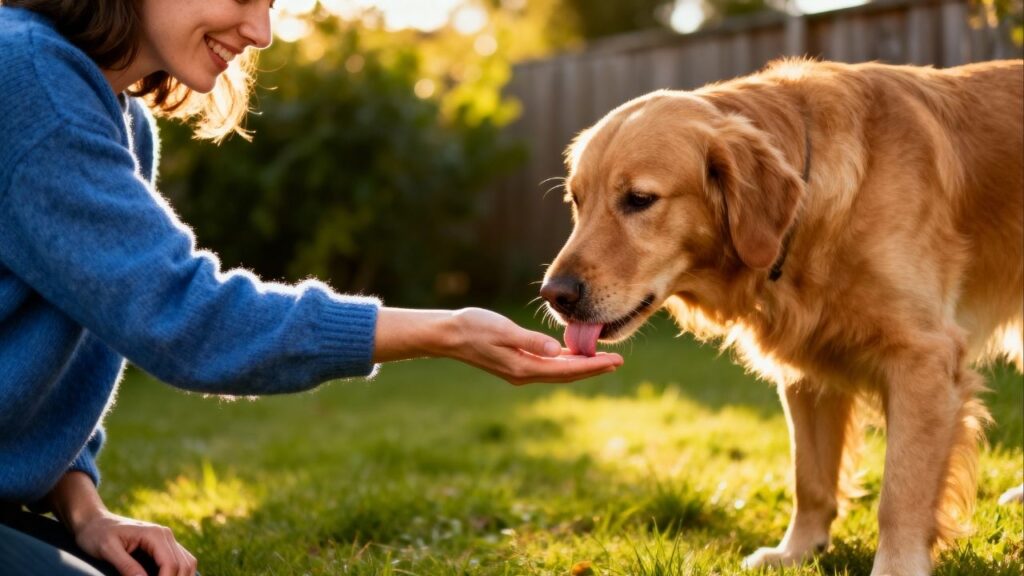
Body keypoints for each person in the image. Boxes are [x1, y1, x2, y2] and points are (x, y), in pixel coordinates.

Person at [0, 1, 624, 574]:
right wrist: (450, 332)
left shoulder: (117, 120)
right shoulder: (27, 77)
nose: (261, 33)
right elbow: (187, 318)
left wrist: (85, 511)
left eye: (270, 5)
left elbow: (68, 343)